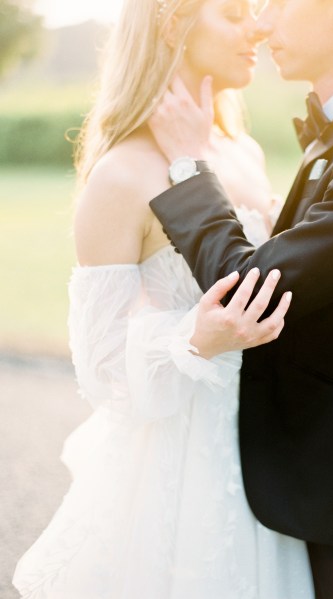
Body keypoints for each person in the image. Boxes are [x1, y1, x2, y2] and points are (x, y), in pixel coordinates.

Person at [12, 0, 317, 597]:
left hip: (268, 462)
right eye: (233, 14)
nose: (255, 25)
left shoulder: (245, 151)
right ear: (173, 24)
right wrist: (197, 339)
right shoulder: (121, 175)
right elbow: (100, 370)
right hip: (174, 473)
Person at [147, 0, 333, 597]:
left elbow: (248, 289)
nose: (261, 21)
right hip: (318, 474)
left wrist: (187, 167)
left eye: (276, 2)